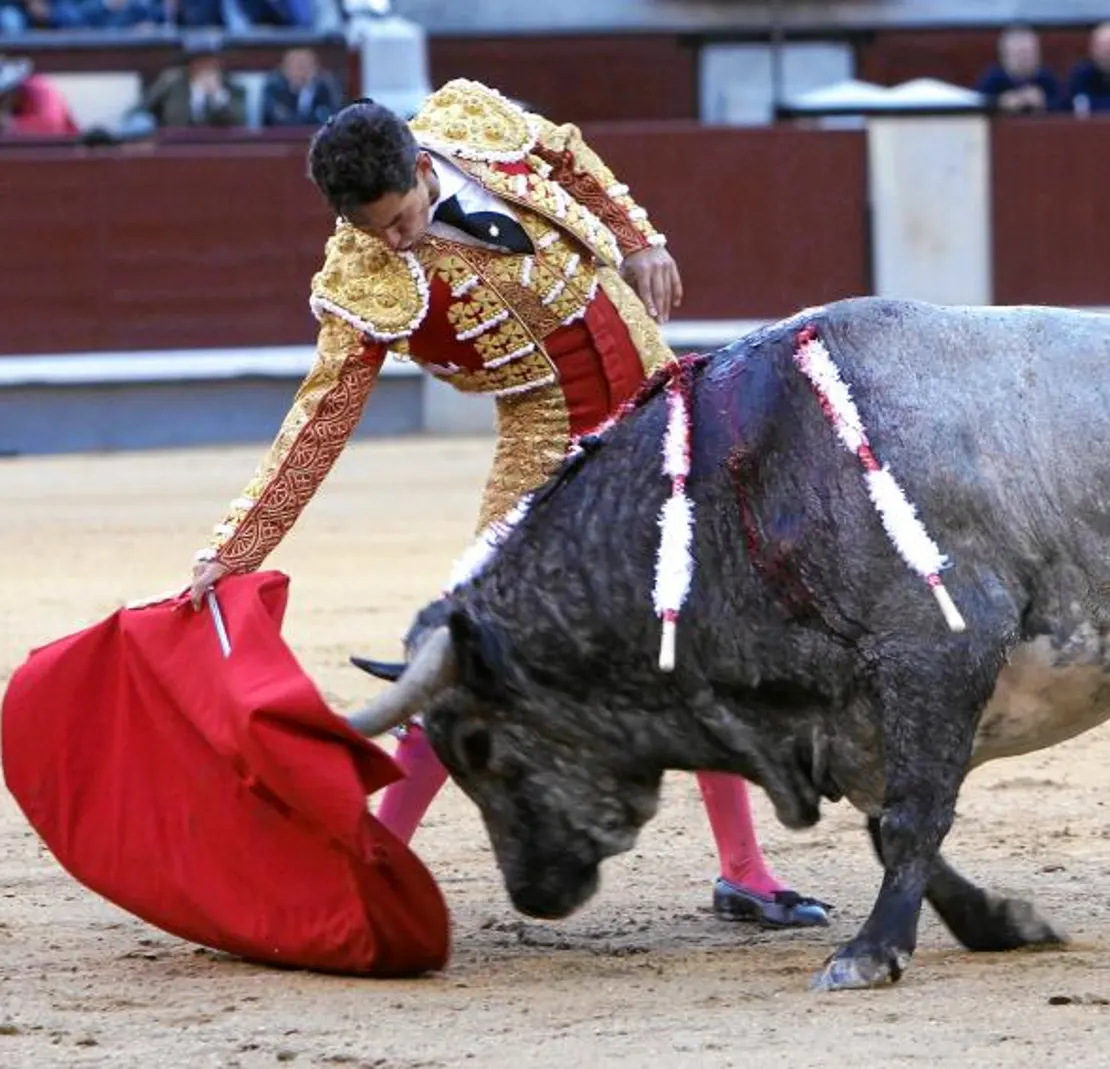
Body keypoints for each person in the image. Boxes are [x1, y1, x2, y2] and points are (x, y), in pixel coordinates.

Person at [184, 79, 831, 929]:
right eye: (371, 228)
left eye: (401, 217)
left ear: (421, 165)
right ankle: (376, 863)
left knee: (695, 621)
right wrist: (237, 548)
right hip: (544, 435)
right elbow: (321, 418)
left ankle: (744, 870)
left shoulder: (467, 120)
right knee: (465, 651)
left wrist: (639, 238)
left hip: (651, 392)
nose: (394, 238)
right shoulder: (363, 277)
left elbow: (564, 145)